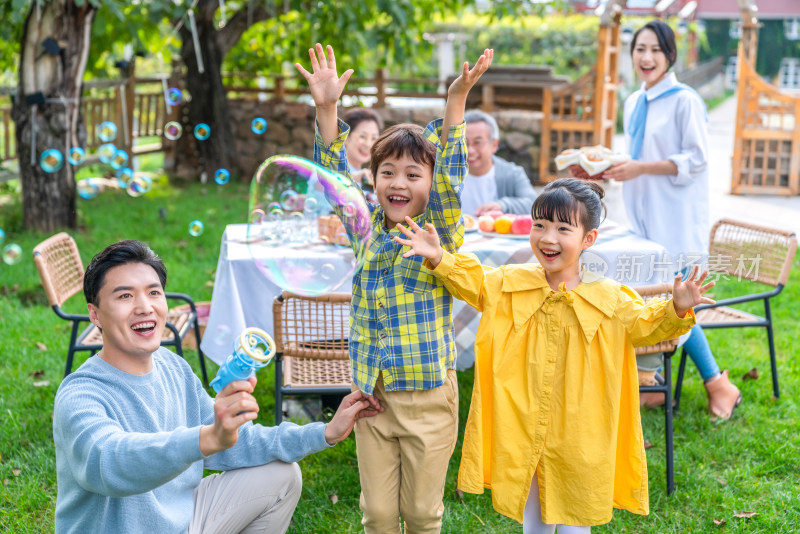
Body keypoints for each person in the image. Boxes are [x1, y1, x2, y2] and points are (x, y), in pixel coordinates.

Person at [394, 178, 714, 533]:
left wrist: (676, 308)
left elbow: (644, 325)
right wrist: (439, 257)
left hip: (582, 429)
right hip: (524, 423)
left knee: (577, 514)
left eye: (563, 228)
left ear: (588, 239)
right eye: (540, 225)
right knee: (534, 514)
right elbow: (476, 282)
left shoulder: (607, 296)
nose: (548, 238)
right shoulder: (511, 282)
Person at [52, 239, 382, 534]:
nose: (144, 306)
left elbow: (237, 442)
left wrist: (324, 432)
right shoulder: (80, 395)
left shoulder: (173, 368)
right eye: (125, 295)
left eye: (154, 292)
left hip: (183, 521)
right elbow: (107, 464)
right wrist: (207, 438)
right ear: (94, 314)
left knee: (282, 475)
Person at [296, 43, 492, 532]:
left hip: (428, 398)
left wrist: (456, 102)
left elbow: (449, 177)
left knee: (421, 514)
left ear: (429, 182)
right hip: (373, 398)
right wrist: (326, 109)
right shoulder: (365, 230)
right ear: (374, 180)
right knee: (379, 514)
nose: (398, 182)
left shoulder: (438, 232)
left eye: (412, 173)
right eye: (388, 172)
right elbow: (334, 179)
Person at [602, 20, 742, 420]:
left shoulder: (686, 101)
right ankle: (654, 384)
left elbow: (696, 159)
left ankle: (719, 383)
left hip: (676, 219)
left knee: (677, 301)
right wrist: (607, 171)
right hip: (642, 218)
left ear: (670, 56)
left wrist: (641, 168)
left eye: (655, 50)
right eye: (639, 49)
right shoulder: (634, 101)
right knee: (655, 298)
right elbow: (635, 159)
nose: (646, 58)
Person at [462, 109, 537, 216]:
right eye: (464, 143)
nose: (470, 150)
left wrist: (502, 205)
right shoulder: (447, 174)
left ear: (494, 145)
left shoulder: (512, 173)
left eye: (477, 142)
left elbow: (534, 205)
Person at [343, 107, 383, 193]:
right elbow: (324, 181)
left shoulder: (366, 178)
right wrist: (353, 177)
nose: (368, 144)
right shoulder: (329, 166)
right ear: (345, 137)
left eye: (373, 138)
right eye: (362, 136)